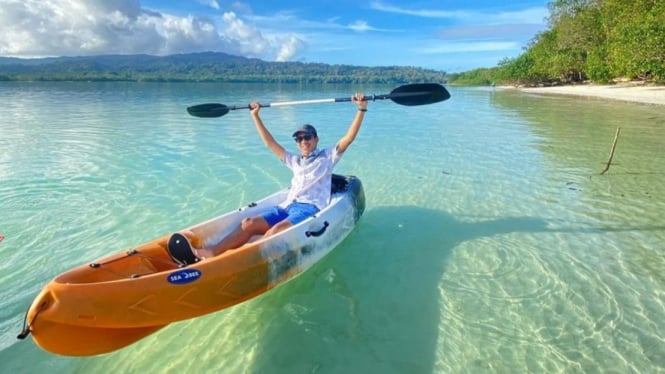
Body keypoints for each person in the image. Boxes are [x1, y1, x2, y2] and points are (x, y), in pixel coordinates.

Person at [179, 92, 368, 260]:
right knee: (248, 223)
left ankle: (236, 258)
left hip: (309, 207)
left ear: (316, 139)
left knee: (276, 232)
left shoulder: (327, 157)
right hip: (286, 205)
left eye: (307, 137)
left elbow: (348, 138)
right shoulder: (294, 160)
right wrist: (255, 116)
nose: (303, 141)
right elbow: (270, 143)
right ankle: (212, 252)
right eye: (299, 139)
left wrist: (361, 110)